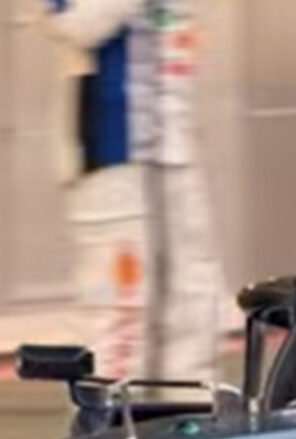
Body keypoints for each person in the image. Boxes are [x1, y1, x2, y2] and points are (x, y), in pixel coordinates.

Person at [35, 0, 222, 384]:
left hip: (173, 148)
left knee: (192, 290)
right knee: (123, 308)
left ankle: (189, 404)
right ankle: (116, 412)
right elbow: (75, 23)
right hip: (110, 153)